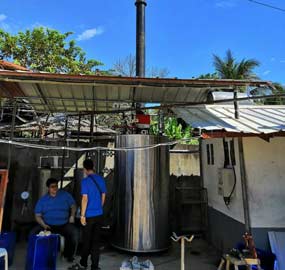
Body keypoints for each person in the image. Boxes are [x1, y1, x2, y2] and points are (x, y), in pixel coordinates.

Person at [69, 159, 106, 270]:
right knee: (96, 242)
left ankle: (84, 263)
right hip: (99, 214)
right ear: (93, 166)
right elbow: (103, 195)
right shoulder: (100, 179)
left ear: (85, 169)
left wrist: (83, 215)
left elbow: (85, 199)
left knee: (86, 240)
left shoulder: (85, 182)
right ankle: (95, 266)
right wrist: (100, 207)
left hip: (89, 216)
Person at [30, 177, 78, 262]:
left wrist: (72, 216)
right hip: (48, 225)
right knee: (33, 233)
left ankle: (68, 255)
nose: (55, 188)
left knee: (73, 232)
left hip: (64, 224)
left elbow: (73, 205)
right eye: (52, 187)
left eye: (56, 186)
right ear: (48, 188)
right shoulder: (43, 200)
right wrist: (43, 225)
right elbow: (37, 215)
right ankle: (36, 254)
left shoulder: (65, 195)